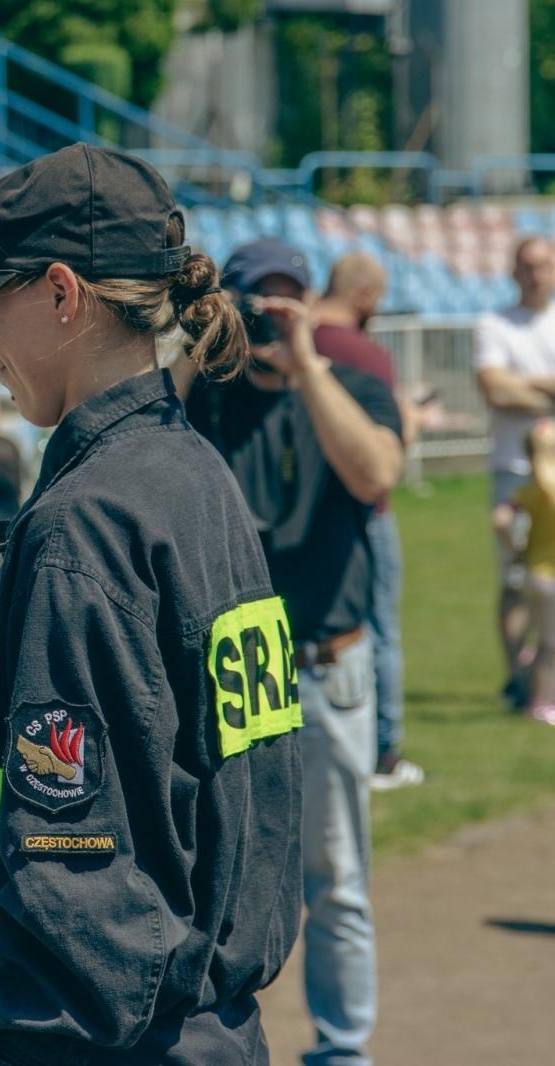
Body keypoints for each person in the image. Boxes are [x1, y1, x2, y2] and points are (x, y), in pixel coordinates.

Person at [0, 145, 303, 1063]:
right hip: (201, 1025)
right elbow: (148, 788)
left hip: (96, 1038)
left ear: (62, 294)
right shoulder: (194, 478)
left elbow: (80, 885)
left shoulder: (87, 525)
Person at [183, 238, 403, 1066]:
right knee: (211, 875)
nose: (273, 323)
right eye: (257, 305)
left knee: (336, 877)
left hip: (324, 663)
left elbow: (377, 468)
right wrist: (205, 345)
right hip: (229, 671)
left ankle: (343, 1051)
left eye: (287, 303)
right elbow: (137, 439)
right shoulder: (202, 401)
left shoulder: (348, 387)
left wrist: (307, 363)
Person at [315, 252, 424, 789]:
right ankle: (384, 750)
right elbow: (387, 454)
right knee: (378, 629)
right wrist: (414, 420)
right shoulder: (364, 354)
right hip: (363, 507)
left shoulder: (293, 341)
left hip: (299, 510)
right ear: (363, 295)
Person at [473, 236, 555, 709]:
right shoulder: (494, 324)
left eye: (543, 265)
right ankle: (517, 676)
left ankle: (545, 674)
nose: (535, 275)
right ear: (513, 271)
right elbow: (495, 391)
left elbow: (509, 386)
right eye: (526, 266)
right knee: (516, 578)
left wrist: (522, 383)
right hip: (515, 470)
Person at [492, 420, 555, 726]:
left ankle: (526, 676)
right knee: (551, 643)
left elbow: (501, 519)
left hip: (530, 572)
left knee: (543, 636)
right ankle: (542, 703)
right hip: (550, 579)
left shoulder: (527, 491)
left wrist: (515, 548)